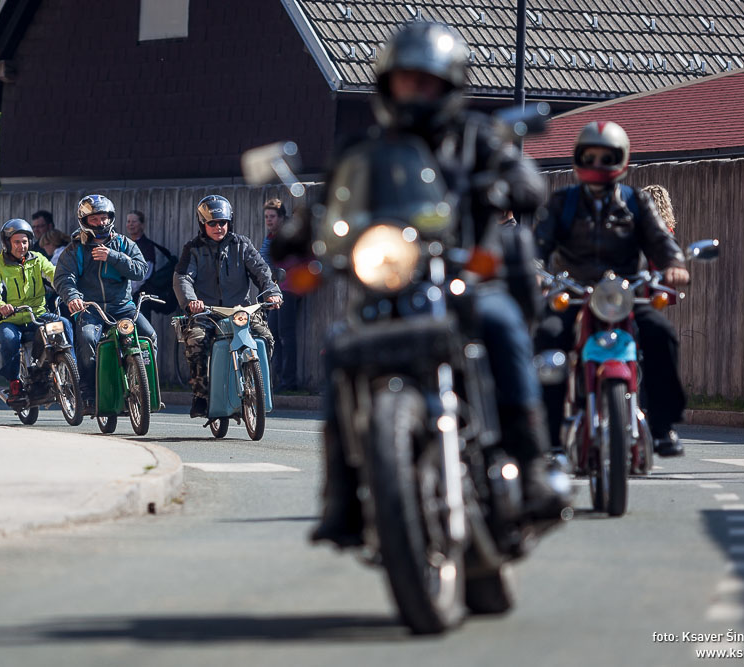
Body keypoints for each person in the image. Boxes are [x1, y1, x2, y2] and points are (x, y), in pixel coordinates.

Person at [304, 21, 566, 546]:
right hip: (389, 285)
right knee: (340, 348)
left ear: (448, 86)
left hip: (462, 275)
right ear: (387, 85)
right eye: (405, 82)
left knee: (501, 321)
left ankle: (533, 463)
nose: (414, 93)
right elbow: (327, 202)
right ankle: (340, 496)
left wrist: (507, 185)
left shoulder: (477, 136)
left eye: (425, 83)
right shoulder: (366, 148)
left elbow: (527, 180)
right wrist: (299, 230)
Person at [534, 121, 689, 457]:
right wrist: (534, 270)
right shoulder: (563, 202)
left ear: (622, 161)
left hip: (623, 295)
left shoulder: (636, 203)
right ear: (578, 160)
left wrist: (674, 264)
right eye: (590, 157)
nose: (598, 165)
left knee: (661, 333)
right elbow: (538, 244)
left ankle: (662, 427)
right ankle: (549, 439)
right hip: (574, 293)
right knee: (547, 338)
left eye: (607, 158)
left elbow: (661, 240)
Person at [173, 195, 282, 417]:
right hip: (206, 313)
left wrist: (272, 292)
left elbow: (262, 271)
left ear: (229, 222)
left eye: (222, 222)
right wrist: (191, 301)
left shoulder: (242, 244)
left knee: (266, 337)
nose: (218, 227)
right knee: (195, 341)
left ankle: (256, 382)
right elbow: (183, 277)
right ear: (202, 224)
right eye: (212, 223)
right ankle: (201, 395)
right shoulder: (192, 249)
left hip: (240, 311)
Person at [54, 195, 155, 411]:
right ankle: (88, 393)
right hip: (91, 308)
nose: (101, 223)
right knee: (88, 340)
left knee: (149, 335)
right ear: (84, 221)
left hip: (123, 306)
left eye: (104, 218)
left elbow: (140, 270)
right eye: (95, 219)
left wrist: (113, 256)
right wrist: (72, 297)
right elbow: (63, 277)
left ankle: (146, 388)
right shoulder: (75, 249)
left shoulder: (124, 244)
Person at [0, 219, 74, 401]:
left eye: (25, 241)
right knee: (9, 339)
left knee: (64, 323)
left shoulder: (38, 260)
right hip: (9, 320)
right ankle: (14, 383)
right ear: (7, 243)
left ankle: (71, 373)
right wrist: (0, 306)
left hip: (37, 314)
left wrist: (69, 292)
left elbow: (54, 276)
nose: (21, 246)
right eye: (16, 242)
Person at [259, 198, 300, 392]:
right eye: (266, 216)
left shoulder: (288, 235)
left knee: (285, 333)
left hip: (289, 289)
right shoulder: (271, 236)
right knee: (273, 333)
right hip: (276, 289)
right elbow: (262, 260)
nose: (269, 220)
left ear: (282, 217)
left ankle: (288, 381)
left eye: (272, 216)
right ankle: (277, 379)